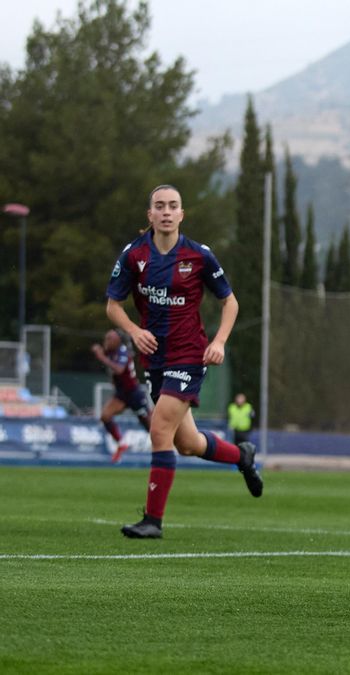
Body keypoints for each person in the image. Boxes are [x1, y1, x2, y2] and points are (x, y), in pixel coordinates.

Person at [105, 184, 264, 539]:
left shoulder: (199, 256)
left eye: (172, 206)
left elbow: (230, 302)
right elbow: (113, 305)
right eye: (159, 206)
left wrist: (219, 341)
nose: (165, 211)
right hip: (155, 358)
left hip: (189, 353)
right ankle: (243, 457)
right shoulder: (134, 256)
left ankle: (153, 521)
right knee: (186, 443)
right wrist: (133, 329)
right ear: (150, 215)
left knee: (159, 429)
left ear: (181, 214)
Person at [91, 329, 151, 463]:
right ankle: (121, 443)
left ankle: (165, 447)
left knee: (148, 425)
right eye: (106, 338)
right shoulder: (110, 352)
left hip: (134, 393)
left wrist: (102, 357)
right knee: (105, 416)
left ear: (118, 341)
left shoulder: (122, 351)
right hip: (122, 394)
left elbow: (119, 369)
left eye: (110, 339)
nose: (107, 341)